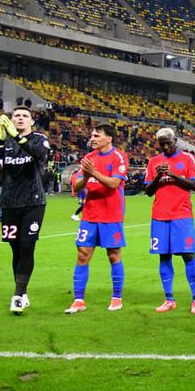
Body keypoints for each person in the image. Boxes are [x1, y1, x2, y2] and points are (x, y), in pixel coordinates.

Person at [0, 109, 49, 314]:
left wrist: (18, 137)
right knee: (15, 248)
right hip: (9, 203)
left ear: (32, 121)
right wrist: (2, 139)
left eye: (25, 116)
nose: (20, 118)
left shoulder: (39, 139)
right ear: (10, 121)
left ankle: (17, 295)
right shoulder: (4, 142)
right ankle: (23, 291)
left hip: (33, 202)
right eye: (16, 116)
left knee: (27, 245)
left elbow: (40, 155)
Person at [66, 123, 128, 314]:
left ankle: (116, 298)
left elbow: (114, 183)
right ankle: (78, 300)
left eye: (96, 135)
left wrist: (93, 172)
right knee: (82, 254)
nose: (92, 138)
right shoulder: (88, 158)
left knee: (113, 254)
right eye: (92, 135)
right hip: (90, 215)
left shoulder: (118, 157)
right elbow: (77, 185)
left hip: (111, 214)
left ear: (108, 138)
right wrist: (86, 176)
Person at [143, 127, 195, 313]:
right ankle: (169, 299)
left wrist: (173, 174)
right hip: (159, 215)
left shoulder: (187, 158)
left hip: (182, 215)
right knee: (164, 256)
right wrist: (159, 176)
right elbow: (147, 191)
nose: (166, 147)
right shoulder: (154, 162)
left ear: (175, 140)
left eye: (168, 143)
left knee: (188, 255)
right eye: (162, 144)